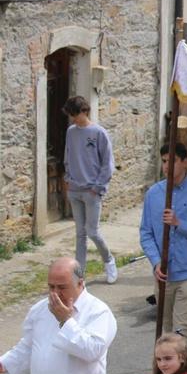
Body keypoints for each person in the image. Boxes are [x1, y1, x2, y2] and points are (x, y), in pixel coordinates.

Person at [140, 143, 187, 350]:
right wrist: (155, 262)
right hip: (164, 272)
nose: (166, 166)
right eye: (163, 161)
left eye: (171, 161)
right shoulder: (154, 194)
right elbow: (145, 233)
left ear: (184, 161)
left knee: (182, 330)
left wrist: (179, 224)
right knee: (167, 329)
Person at [61, 96, 117, 283]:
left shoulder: (99, 132)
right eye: (70, 115)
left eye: (74, 114)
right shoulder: (71, 132)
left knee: (93, 232)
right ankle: (79, 275)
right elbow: (68, 155)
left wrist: (97, 187)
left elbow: (108, 164)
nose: (72, 119)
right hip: (74, 190)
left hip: (92, 191)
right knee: (80, 234)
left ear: (84, 111)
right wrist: (68, 179)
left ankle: (109, 260)